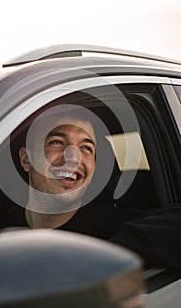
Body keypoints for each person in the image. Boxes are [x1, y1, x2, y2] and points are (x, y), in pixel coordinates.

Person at [17, 107, 181, 269]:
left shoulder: (111, 226)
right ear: (26, 160)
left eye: (86, 148)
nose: (73, 158)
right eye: (57, 142)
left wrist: (109, 256)